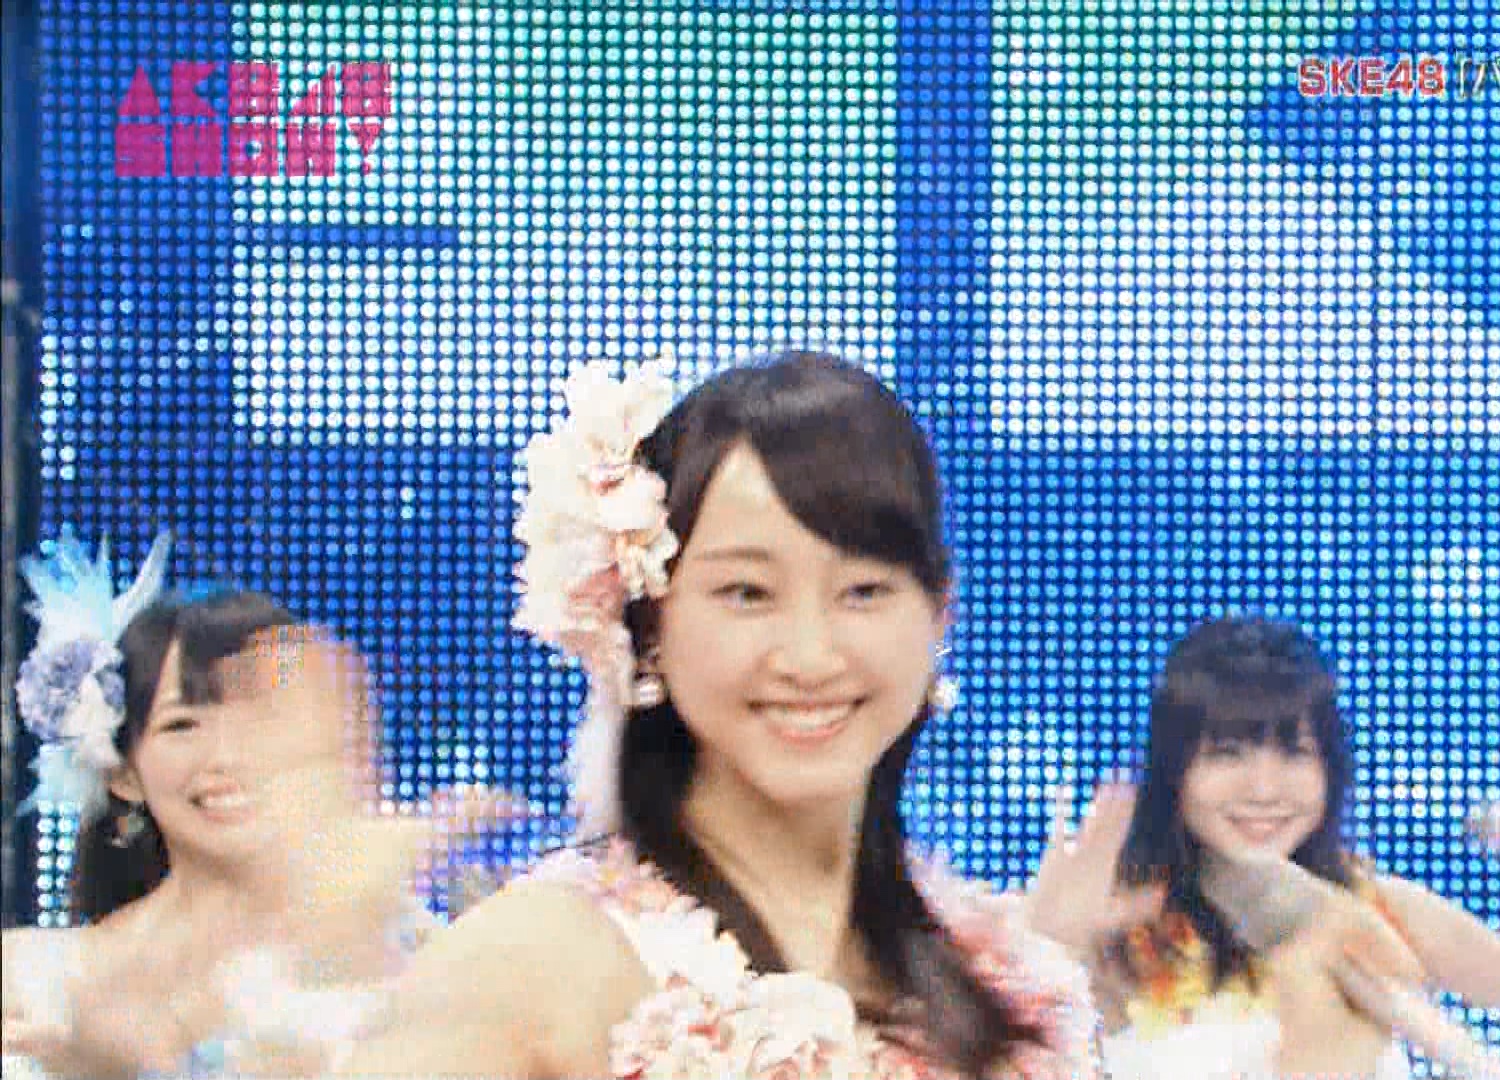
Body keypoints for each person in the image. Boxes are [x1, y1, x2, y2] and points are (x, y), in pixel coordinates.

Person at [262, 353, 1104, 1079]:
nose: (810, 655)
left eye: (863, 591)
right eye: (747, 592)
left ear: (939, 616)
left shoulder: (1010, 985)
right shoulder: (534, 960)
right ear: (648, 622)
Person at [1, 538, 513, 1079]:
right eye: (183, 724)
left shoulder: (412, 954)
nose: (230, 754)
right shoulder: (36, 979)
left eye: (260, 714)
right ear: (123, 773)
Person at [1098, 617, 1500, 1077]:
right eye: (1227, 754)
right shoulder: (1110, 925)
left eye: (1295, 754)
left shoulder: (1380, 913)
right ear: (1173, 771)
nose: (1264, 790)